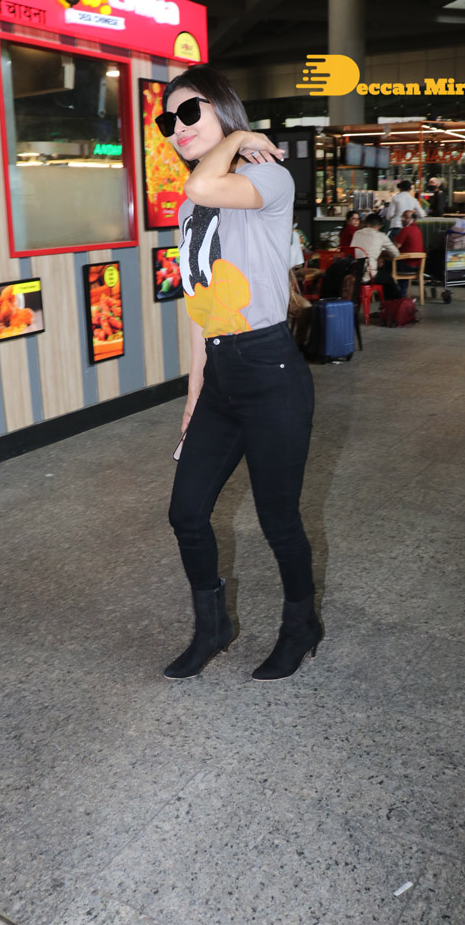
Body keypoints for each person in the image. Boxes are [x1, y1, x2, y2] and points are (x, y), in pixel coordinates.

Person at [159, 65, 321, 682]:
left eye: (190, 112)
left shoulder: (267, 175)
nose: (177, 127)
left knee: (279, 519)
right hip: (222, 374)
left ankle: (301, 626)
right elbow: (201, 305)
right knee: (186, 512)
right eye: (168, 120)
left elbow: (204, 183)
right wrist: (194, 390)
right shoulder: (191, 206)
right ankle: (213, 627)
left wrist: (236, 140)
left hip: (271, 371)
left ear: (224, 110)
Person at [350, 212, 402, 300]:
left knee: (383, 273)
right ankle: (396, 303)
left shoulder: (357, 233)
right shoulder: (381, 236)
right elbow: (396, 253)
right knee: (389, 279)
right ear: (380, 226)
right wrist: (382, 254)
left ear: (366, 223)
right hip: (368, 276)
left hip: (353, 274)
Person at [393, 210, 425, 295]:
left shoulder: (405, 230)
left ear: (412, 219)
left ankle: (394, 295)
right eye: (402, 216)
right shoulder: (418, 230)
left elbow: (395, 246)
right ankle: (402, 295)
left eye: (406, 217)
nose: (402, 219)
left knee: (386, 266)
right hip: (418, 266)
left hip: (407, 265)